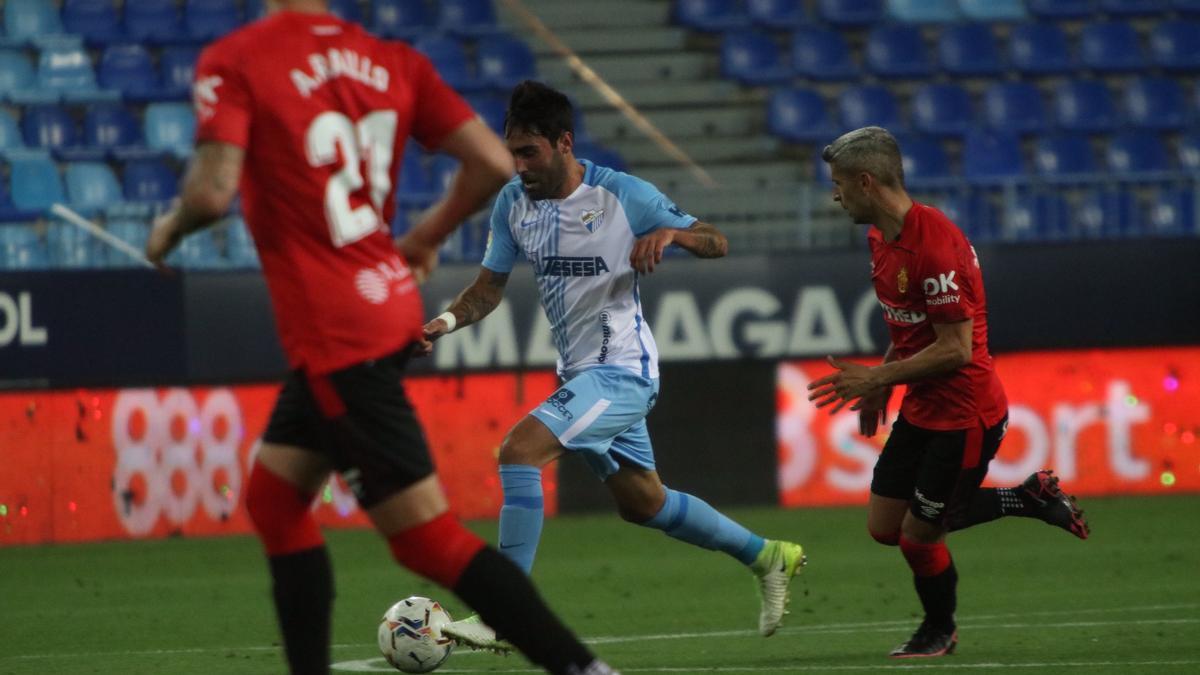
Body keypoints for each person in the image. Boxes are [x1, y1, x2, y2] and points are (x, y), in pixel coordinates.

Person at [144, 3, 616, 674]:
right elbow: (488, 159)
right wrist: (425, 236)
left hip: (337, 334)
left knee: (428, 540)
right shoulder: (396, 61)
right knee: (275, 500)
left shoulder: (238, 57)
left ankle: (582, 668)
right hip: (386, 307)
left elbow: (214, 191)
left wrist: (167, 229)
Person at [421, 80, 806, 652]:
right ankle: (768, 555)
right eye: (512, 152)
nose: (518, 165)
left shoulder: (622, 195)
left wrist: (673, 233)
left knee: (519, 451)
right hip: (580, 376)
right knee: (643, 503)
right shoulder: (512, 204)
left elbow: (716, 241)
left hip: (623, 371)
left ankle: (505, 613)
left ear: (564, 142)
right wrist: (446, 323)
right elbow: (487, 288)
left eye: (529, 152)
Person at [808, 127, 1089, 658]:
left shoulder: (933, 247)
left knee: (920, 537)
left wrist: (877, 378)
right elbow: (912, 331)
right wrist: (879, 386)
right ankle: (1025, 496)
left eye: (839, 184)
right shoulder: (882, 240)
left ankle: (940, 630)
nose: (835, 195)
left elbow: (957, 349)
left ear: (866, 182)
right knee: (885, 526)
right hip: (922, 408)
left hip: (965, 416)